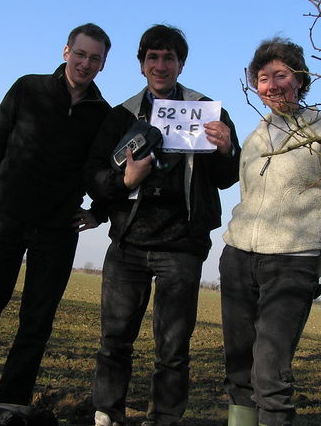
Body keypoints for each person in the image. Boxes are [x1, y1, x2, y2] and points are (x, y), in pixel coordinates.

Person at [0, 23, 112, 407]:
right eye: (81, 54)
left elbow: (104, 167)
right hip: (4, 218)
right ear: (65, 51)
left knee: (36, 325)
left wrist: (99, 212)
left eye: (95, 58)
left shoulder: (103, 114)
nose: (85, 63)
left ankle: (10, 405)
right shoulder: (28, 88)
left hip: (57, 228)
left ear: (103, 65)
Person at [86, 24, 240, 426]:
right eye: (152, 57)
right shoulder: (120, 116)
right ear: (141, 65)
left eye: (168, 58)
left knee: (172, 345)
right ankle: (107, 414)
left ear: (181, 64)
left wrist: (226, 149)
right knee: (115, 338)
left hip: (182, 244)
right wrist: (124, 181)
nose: (160, 65)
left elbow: (228, 176)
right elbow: (93, 175)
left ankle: (165, 418)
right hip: (129, 243)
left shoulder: (210, 112)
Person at [219, 37, 321, 426]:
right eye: (263, 78)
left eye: (280, 75)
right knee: (239, 368)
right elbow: (248, 195)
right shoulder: (255, 137)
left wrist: (314, 260)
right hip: (238, 259)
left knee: (270, 373)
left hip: (292, 262)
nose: (272, 85)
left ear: (299, 79)